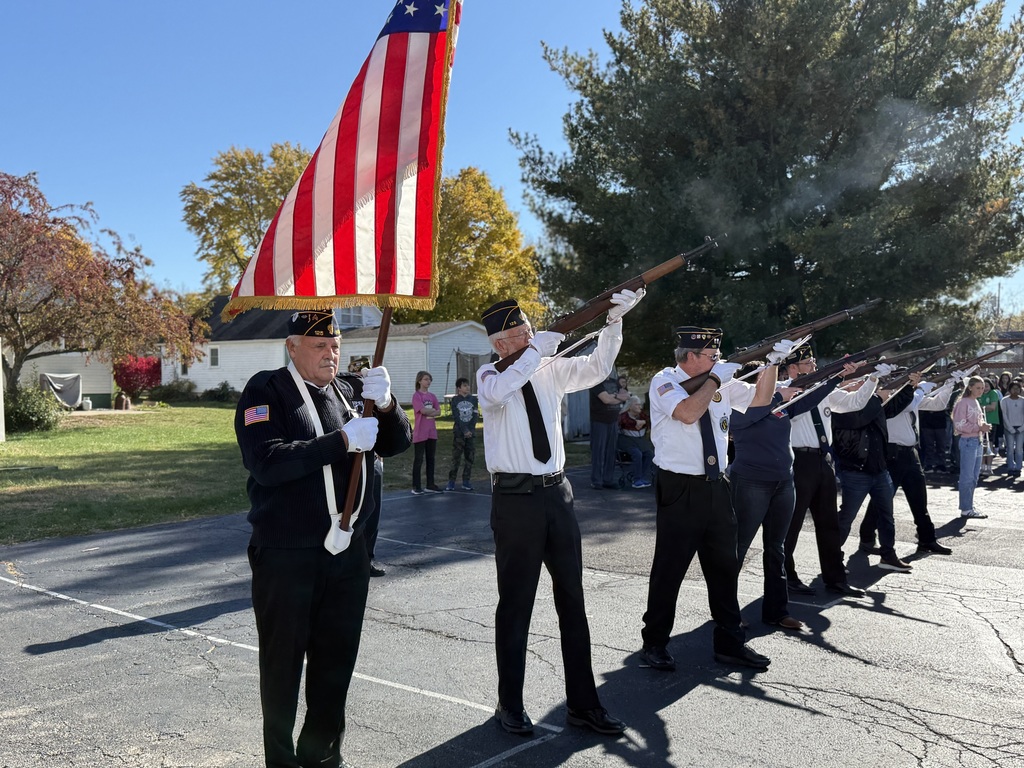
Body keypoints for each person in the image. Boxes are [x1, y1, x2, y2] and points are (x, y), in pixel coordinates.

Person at [234, 309, 411, 768]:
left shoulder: (350, 391)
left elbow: (396, 443)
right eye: (319, 346)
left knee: (336, 662)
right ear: (292, 347)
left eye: (335, 346)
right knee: (283, 667)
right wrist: (340, 441)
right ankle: (282, 761)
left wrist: (388, 405)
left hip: (349, 552)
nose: (331, 354)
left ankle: (323, 755)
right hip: (288, 553)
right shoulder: (265, 390)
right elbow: (267, 462)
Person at [478, 290, 643, 737]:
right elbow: (502, 390)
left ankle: (584, 705)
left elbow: (596, 369)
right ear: (499, 345)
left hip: (557, 493)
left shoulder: (546, 366)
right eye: (517, 334)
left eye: (529, 330)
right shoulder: (490, 375)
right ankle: (509, 703)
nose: (528, 337)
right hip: (514, 501)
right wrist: (537, 349)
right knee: (516, 605)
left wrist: (613, 324)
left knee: (573, 600)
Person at [639, 326, 772, 673]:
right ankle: (654, 643)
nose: (718, 359)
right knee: (670, 569)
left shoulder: (719, 380)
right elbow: (686, 413)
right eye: (711, 355)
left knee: (725, 568)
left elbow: (761, 399)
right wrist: (715, 379)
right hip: (679, 487)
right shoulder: (664, 381)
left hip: (716, 485)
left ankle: (730, 643)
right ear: (690, 357)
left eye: (717, 355)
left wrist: (772, 362)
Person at [780, 350, 869, 598]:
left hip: (823, 460)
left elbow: (855, 403)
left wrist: (873, 379)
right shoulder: (785, 391)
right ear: (793, 368)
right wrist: (835, 379)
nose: (814, 364)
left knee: (829, 524)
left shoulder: (823, 389)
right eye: (808, 362)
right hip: (800, 460)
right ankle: (786, 576)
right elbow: (799, 406)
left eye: (813, 360)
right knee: (792, 524)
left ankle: (836, 578)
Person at [859, 373, 957, 557]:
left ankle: (927, 539)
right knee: (882, 500)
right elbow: (908, 404)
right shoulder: (889, 399)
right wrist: (919, 388)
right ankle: (866, 537)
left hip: (911, 453)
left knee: (919, 499)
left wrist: (949, 384)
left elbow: (938, 404)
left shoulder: (909, 396)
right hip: (892, 454)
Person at [832, 366, 916, 572]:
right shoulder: (839, 406)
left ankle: (888, 555)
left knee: (886, 516)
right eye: (860, 381)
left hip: (879, 469)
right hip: (855, 470)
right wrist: (878, 398)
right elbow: (859, 418)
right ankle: (832, 558)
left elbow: (893, 407)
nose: (864, 385)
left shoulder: (872, 402)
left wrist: (909, 387)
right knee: (846, 517)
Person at [953, 375, 992, 518]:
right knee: (967, 476)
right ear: (970, 387)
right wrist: (980, 426)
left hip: (977, 440)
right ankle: (966, 508)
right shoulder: (963, 403)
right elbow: (959, 424)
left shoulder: (975, 401)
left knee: (974, 476)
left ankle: (968, 505)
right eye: (978, 388)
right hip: (968, 441)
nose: (981, 390)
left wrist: (983, 427)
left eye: (982, 388)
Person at [590, 372, 629, 488]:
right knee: (598, 451)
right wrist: (617, 397)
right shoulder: (595, 382)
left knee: (611, 451)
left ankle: (608, 479)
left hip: (613, 420)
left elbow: (626, 395)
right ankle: (596, 480)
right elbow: (605, 399)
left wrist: (614, 397)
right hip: (599, 420)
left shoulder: (614, 382)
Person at [411, 370, 444, 494]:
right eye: (425, 379)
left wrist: (433, 411)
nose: (428, 381)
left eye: (429, 379)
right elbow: (423, 411)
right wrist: (432, 411)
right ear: (419, 381)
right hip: (420, 432)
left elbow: (439, 411)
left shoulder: (432, 396)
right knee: (419, 459)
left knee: (431, 458)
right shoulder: (417, 396)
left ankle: (430, 484)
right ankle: (416, 486)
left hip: (431, 432)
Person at [446, 377, 479, 491]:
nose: (467, 387)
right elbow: (456, 416)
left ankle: (466, 481)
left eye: (468, 385)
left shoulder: (474, 400)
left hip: (471, 433)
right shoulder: (455, 400)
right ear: (459, 388)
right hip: (459, 433)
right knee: (456, 458)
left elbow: (475, 415)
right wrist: (464, 430)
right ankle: (451, 481)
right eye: (464, 385)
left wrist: (470, 430)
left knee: (469, 457)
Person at [618, 395, 654, 488]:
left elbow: (649, 420)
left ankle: (642, 476)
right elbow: (624, 422)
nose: (639, 407)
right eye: (636, 404)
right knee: (637, 454)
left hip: (640, 440)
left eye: (639, 405)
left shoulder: (642, 415)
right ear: (630, 406)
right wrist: (635, 423)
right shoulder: (624, 416)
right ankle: (636, 479)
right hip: (627, 440)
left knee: (649, 454)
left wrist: (643, 422)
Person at [1000, 380, 1024, 477]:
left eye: (1018, 388)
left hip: (1020, 428)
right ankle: (1010, 467)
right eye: (1013, 388)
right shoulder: (1004, 400)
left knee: (1019, 449)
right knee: (1010, 448)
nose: (1016, 390)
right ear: (1009, 389)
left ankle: (1018, 467)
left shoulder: (1023, 400)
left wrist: (1022, 428)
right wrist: (1010, 428)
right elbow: (1004, 415)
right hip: (1009, 428)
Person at [979, 378, 1001, 475]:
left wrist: (982, 407)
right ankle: (982, 466)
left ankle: (989, 467)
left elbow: (992, 407)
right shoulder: (978, 394)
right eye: (983, 387)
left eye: (986, 386)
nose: (985, 389)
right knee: (981, 444)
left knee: (989, 444)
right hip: (980, 422)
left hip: (991, 421)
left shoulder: (993, 393)